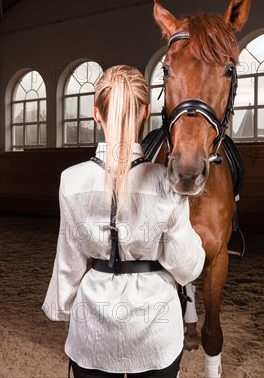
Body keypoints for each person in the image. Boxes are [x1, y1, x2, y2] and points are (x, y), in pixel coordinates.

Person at [42, 64, 205, 377]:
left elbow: (69, 262)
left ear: (96, 114)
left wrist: (63, 309)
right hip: (156, 335)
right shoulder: (166, 183)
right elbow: (187, 268)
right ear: (145, 113)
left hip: (93, 333)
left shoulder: (71, 180)